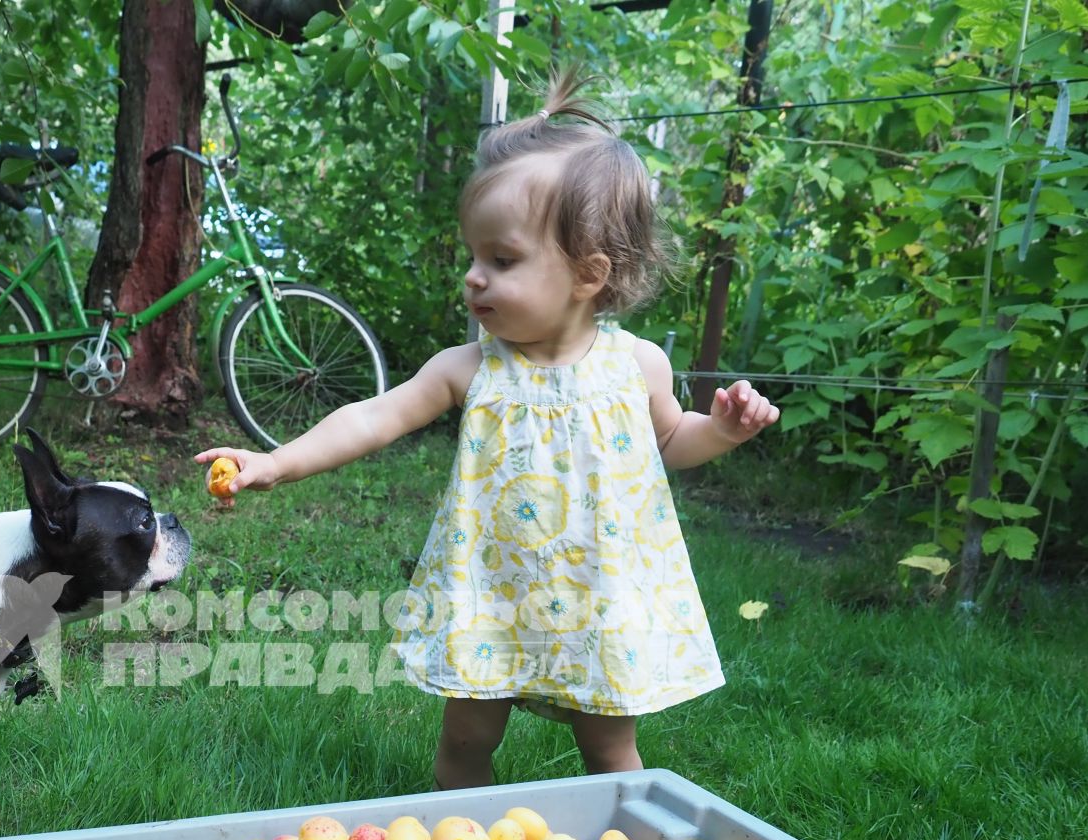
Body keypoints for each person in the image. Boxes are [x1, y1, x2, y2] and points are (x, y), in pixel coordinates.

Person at [194, 69, 778, 790]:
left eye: (500, 261)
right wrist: (275, 462)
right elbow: (374, 415)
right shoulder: (468, 367)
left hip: (601, 594)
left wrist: (718, 431)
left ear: (588, 274)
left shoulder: (637, 365)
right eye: (473, 256)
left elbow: (667, 446)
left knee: (609, 748)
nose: (473, 277)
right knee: (468, 736)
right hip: (492, 592)